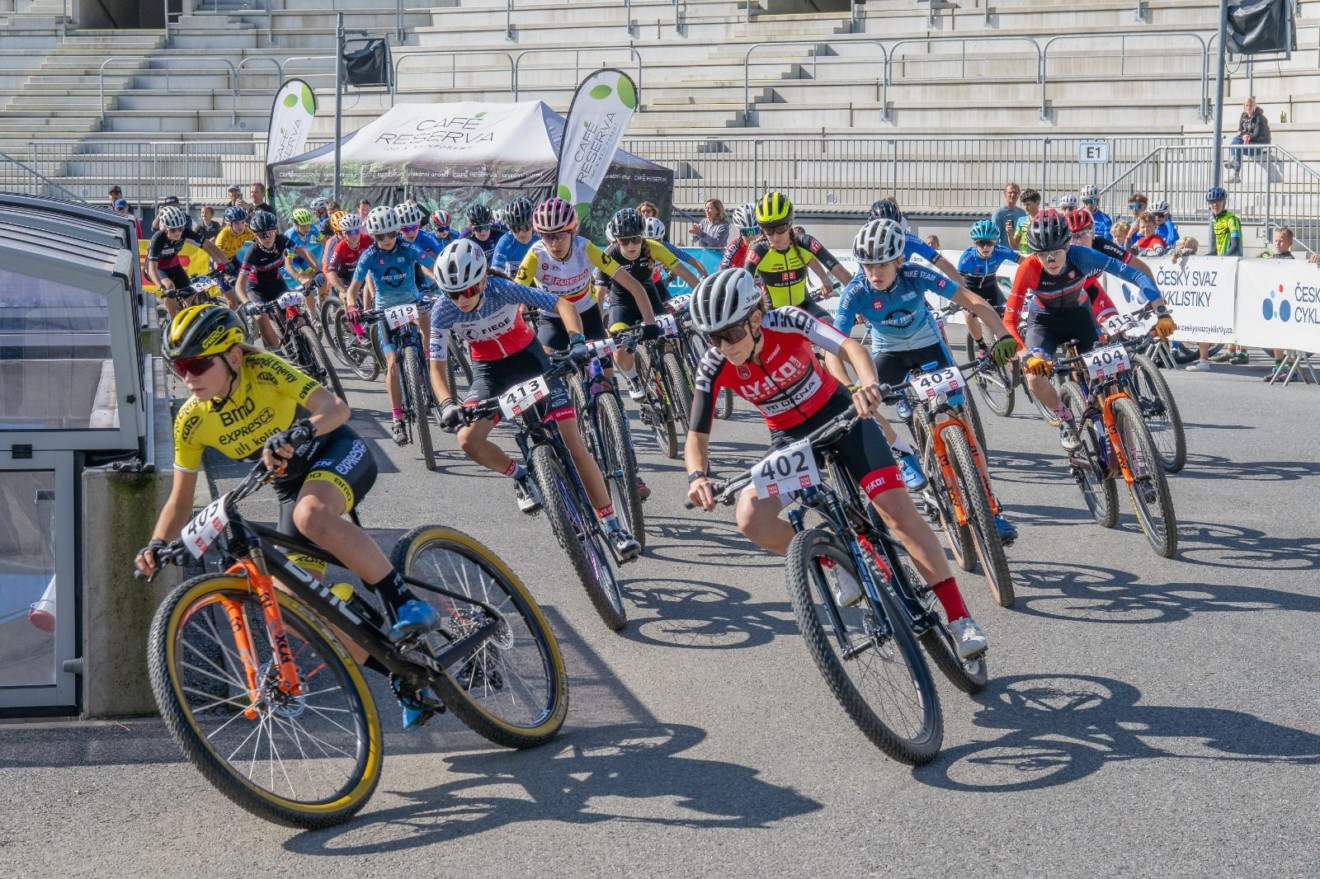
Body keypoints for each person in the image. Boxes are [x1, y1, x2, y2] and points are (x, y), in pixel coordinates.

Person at [137, 304, 442, 730]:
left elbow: (336, 408)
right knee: (290, 606)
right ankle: (401, 672)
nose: (187, 377)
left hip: (335, 450)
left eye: (197, 364)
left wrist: (304, 429)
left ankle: (406, 601)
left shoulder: (263, 370)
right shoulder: (191, 420)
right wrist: (156, 544)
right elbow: (180, 499)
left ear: (234, 356)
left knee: (311, 515)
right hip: (289, 486)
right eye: (179, 367)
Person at [684, 267, 990, 659]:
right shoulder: (713, 364)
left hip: (841, 416)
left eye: (730, 334)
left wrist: (867, 385)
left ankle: (960, 619)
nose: (723, 345)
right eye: (712, 337)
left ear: (755, 319)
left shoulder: (788, 321)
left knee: (897, 513)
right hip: (791, 440)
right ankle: (837, 559)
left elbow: (849, 348)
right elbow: (696, 435)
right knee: (750, 518)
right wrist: (697, 476)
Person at [429, 240, 642, 558]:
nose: (461, 299)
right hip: (490, 374)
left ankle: (614, 527)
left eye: (469, 290)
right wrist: (448, 404)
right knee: (468, 440)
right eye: (453, 293)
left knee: (573, 442)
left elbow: (563, 305)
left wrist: (577, 341)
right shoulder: (442, 311)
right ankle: (521, 476)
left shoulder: (503, 289)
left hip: (531, 361)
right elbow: (436, 366)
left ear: (483, 279)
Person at [837, 219, 1022, 540]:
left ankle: (992, 509)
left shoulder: (915, 274)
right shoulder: (856, 291)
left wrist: (1003, 334)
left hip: (929, 346)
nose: (874, 273)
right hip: (889, 354)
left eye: (882, 264)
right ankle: (902, 452)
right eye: (867, 265)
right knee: (863, 406)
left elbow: (972, 300)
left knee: (961, 423)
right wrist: (849, 385)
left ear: (898, 260)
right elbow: (834, 345)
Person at [1006, 209, 1176, 452]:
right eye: (1043, 254)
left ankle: (1130, 447)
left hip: (1080, 316)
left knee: (1110, 379)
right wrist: (1025, 356)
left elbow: (1137, 275)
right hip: (1044, 322)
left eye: (1056, 252)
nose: (1051, 260)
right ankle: (1065, 418)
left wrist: (1162, 312)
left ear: (1067, 246)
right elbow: (1009, 321)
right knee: (1033, 377)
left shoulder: (1082, 255)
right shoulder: (1028, 268)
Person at [516, 197, 657, 359]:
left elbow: (633, 284)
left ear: (572, 231)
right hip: (552, 319)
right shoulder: (535, 254)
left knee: (604, 371)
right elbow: (515, 293)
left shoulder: (585, 248)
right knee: (547, 365)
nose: (554, 243)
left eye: (561, 234)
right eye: (547, 236)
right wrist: (522, 309)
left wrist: (650, 322)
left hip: (587, 314)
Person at [343, 206, 434, 446]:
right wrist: (351, 306)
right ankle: (397, 419)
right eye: (381, 236)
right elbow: (353, 289)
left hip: (412, 302)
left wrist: (444, 284)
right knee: (392, 362)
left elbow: (431, 266)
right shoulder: (369, 256)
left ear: (397, 231)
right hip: (385, 310)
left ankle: (429, 365)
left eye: (391, 233)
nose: (387, 239)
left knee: (428, 325)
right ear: (373, 236)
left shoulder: (408, 247)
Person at [597, 208, 702, 403]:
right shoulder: (609, 254)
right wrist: (596, 325)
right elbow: (600, 292)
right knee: (619, 345)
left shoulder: (654, 247)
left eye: (635, 239)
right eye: (624, 241)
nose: (631, 245)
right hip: (622, 304)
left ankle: (674, 372)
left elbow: (683, 272)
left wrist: (703, 295)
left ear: (642, 236)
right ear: (616, 240)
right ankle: (634, 379)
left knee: (669, 338)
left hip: (650, 298)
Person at [744, 192, 852, 322]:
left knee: (830, 326)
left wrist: (860, 302)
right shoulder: (759, 250)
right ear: (762, 229)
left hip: (804, 307)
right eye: (769, 231)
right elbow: (743, 283)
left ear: (791, 222)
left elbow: (839, 271)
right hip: (773, 313)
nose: (776, 237)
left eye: (780, 229)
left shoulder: (805, 242)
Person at [235, 210, 318, 349]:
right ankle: (276, 352)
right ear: (255, 235)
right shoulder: (252, 252)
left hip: (276, 283)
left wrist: (318, 270)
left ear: (275, 231)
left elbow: (303, 252)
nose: (267, 237)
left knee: (297, 311)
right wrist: (247, 303)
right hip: (256, 289)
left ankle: (307, 340)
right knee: (261, 317)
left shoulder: (281, 240)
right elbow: (239, 284)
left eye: (270, 232)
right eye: (262, 234)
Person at [1187, 187, 1244, 372]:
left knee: (1236, 309)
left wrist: (1223, 262)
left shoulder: (1231, 219)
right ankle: (1226, 350)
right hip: (1222, 267)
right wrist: (1202, 259)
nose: (1214, 205)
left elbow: (1235, 245)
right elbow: (1215, 249)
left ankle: (1242, 351)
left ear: (1224, 202)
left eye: (1217, 202)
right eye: (1211, 202)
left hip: (1232, 266)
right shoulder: (1214, 220)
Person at [146, 205, 232, 318]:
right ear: (165, 228)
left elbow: (208, 245)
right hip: (157, 268)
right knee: (169, 286)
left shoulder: (185, 232)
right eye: (173, 229)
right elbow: (152, 270)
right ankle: (173, 321)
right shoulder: (158, 238)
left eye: (180, 228)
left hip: (173, 265)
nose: (178, 232)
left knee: (192, 299)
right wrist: (162, 288)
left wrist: (224, 262)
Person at [958, 218, 1020, 354]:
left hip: (991, 287)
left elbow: (1024, 262)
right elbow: (958, 281)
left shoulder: (1001, 251)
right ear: (974, 243)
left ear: (995, 242)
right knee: (969, 315)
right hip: (971, 289)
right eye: (981, 243)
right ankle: (981, 346)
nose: (985, 247)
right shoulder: (967, 257)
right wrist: (962, 301)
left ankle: (1012, 352)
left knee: (1008, 317)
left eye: (989, 243)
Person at [1263, 226, 1295, 381]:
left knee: (1288, 337)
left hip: (1286, 303)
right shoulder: (1273, 258)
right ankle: (1278, 366)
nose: (1277, 243)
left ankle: (1291, 369)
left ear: (1290, 242)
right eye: (1275, 240)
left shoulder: (1290, 260)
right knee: (1275, 336)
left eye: (1281, 241)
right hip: (1274, 301)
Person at [1226, 96, 1271, 183]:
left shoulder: (1259, 118)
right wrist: (1244, 135)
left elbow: (1256, 135)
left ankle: (1235, 172)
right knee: (1236, 141)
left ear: (1254, 106)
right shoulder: (1243, 117)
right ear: (1244, 107)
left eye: (1250, 105)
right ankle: (1235, 166)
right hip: (1248, 143)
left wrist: (1245, 135)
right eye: (1246, 105)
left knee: (1237, 143)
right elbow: (1239, 132)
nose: (1248, 107)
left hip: (1258, 146)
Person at [489, 197, 537, 276]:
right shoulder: (505, 241)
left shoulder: (542, 237)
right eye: (515, 229)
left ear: (533, 223)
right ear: (510, 228)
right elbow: (495, 273)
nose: (521, 234)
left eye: (526, 227)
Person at [719, 203, 760, 269]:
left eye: (755, 230)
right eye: (746, 232)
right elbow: (723, 269)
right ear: (740, 232)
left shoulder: (769, 244)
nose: (751, 236)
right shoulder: (733, 248)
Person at [992, 182, 1026, 249]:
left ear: (1019, 194)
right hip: (1004, 250)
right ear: (1005, 194)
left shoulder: (1022, 213)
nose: (1013, 195)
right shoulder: (998, 213)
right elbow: (994, 236)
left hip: (1020, 251)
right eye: (1010, 192)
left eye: (1015, 192)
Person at [1011, 189, 1042, 254]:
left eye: (1028, 204)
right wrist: (1009, 233)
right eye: (1024, 205)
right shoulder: (1021, 220)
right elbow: (1014, 245)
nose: (1025, 207)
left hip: (1039, 256)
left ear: (1037, 203)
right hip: (1024, 256)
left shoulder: (1045, 220)